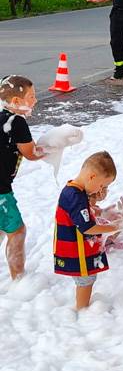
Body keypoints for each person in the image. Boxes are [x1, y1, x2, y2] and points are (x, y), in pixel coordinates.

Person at [54, 152, 122, 310]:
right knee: (86, 281)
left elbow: (80, 213)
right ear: (91, 177)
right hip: (76, 249)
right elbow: (87, 227)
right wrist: (113, 227)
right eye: (103, 185)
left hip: (77, 247)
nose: (102, 190)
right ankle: (81, 310)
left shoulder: (75, 190)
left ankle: (82, 308)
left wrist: (96, 209)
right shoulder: (75, 196)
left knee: (87, 280)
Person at [0, 75, 44, 280]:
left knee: (2, 227)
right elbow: (31, 153)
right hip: (1, 190)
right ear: (16, 101)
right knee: (17, 232)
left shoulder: (3, 117)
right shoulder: (17, 122)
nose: (35, 100)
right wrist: (54, 147)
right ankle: (18, 280)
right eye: (31, 96)